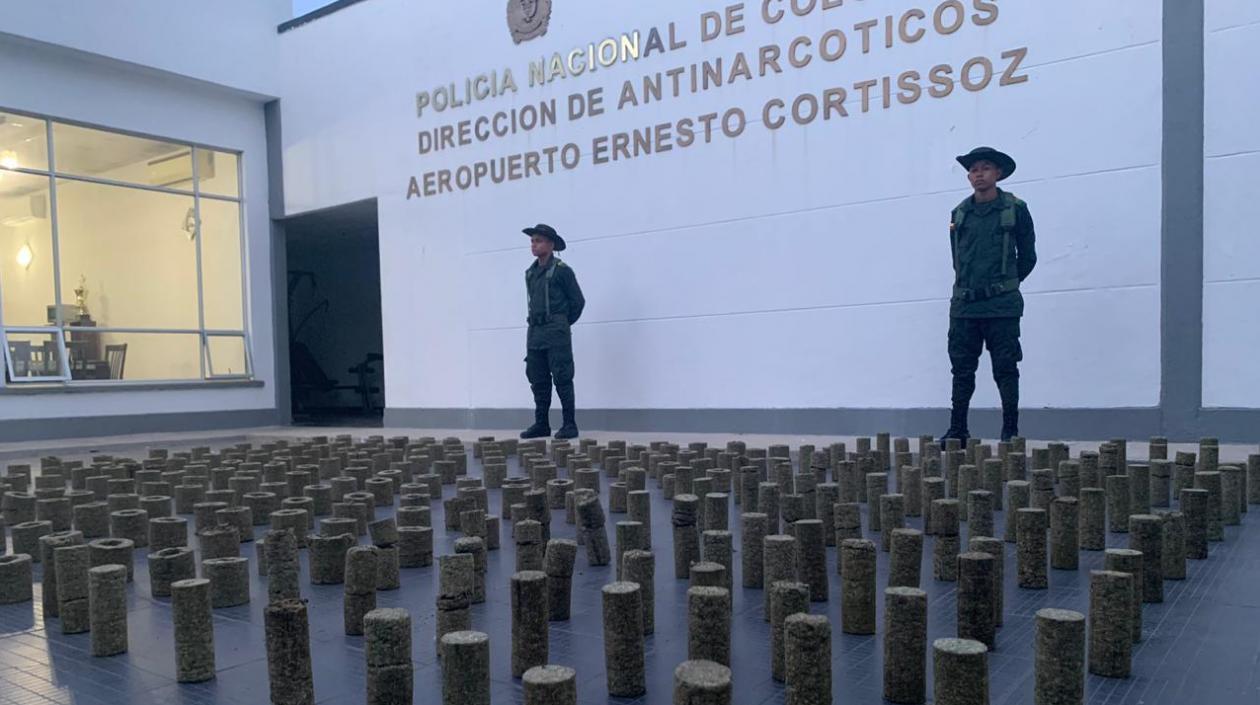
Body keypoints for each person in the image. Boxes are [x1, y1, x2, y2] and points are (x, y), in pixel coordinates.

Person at [941, 147, 1037, 443]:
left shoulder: (1015, 209)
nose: (978, 174)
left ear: (998, 173)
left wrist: (1004, 286)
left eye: (985, 168)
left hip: (1001, 306)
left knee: (1005, 368)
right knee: (961, 370)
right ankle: (958, 430)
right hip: (965, 307)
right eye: (973, 170)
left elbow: (1028, 257)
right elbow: (958, 259)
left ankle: (1010, 431)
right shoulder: (959, 213)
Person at [520, 223, 585, 440]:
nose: (533, 245)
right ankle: (542, 424)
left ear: (550, 245)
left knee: (562, 376)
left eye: (538, 241)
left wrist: (561, 323)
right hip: (535, 332)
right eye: (532, 241)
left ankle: (569, 424)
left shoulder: (562, 271)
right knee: (537, 378)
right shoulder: (531, 273)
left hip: (556, 332)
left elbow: (577, 302)